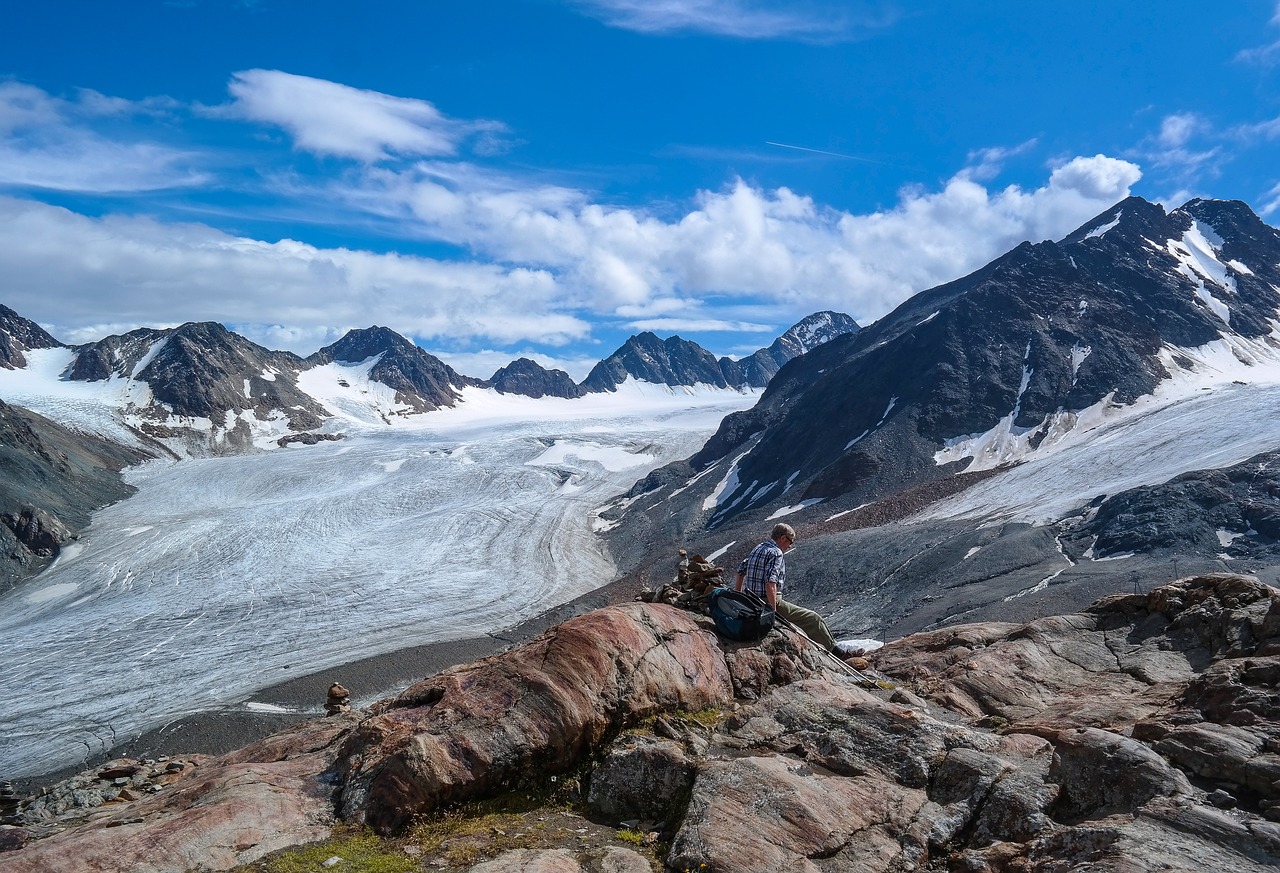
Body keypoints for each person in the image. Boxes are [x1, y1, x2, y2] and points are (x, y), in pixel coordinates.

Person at [735, 522, 852, 658]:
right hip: (767, 600)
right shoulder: (776, 552)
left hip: (751, 599)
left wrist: (739, 597)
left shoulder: (758, 548)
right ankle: (838, 653)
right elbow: (770, 583)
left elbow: (740, 572)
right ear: (783, 538)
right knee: (814, 619)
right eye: (790, 541)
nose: (790, 546)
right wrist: (771, 611)